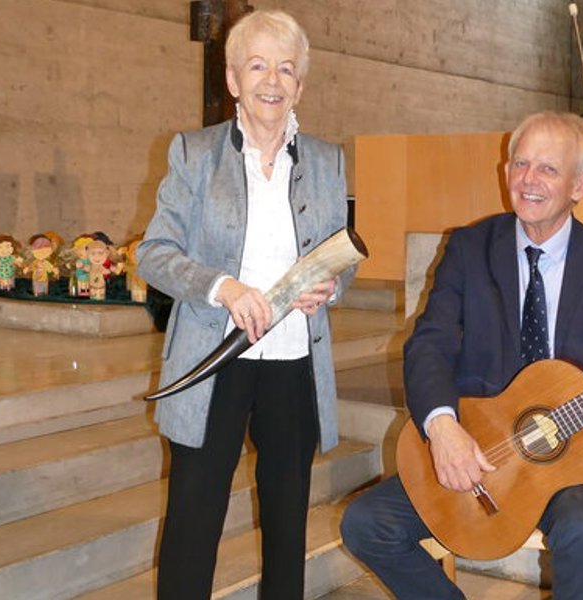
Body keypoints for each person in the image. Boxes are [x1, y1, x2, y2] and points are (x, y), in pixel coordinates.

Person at [340, 111, 583, 599]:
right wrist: (442, 428)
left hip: (576, 464)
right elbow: (430, 341)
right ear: (505, 173)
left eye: (547, 169)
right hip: (481, 452)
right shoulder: (470, 247)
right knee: (366, 524)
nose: (529, 180)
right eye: (520, 164)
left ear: (579, 185)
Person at [137, 10, 352, 599]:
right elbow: (153, 252)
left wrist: (331, 287)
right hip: (213, 360)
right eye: (258, 65)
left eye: (286, 69)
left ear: (300, 85)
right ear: (232, 79)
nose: (272, 81)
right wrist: (222, 287)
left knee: (288, 525)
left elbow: (342, 255)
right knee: (193, 521)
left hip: (293, 365)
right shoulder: (194, 153)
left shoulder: (328, 161)